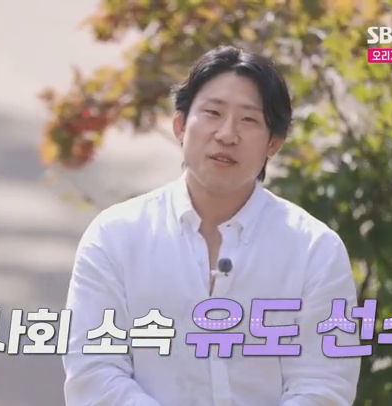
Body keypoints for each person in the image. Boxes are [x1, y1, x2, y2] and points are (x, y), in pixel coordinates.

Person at [62, 45, 361, 406]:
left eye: (248, 120)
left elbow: (324, 386)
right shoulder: (116, 236)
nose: (227, 134)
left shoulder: (314, 249)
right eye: (212, 113)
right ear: (180, 125)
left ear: (273, 143)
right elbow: (93, 374)